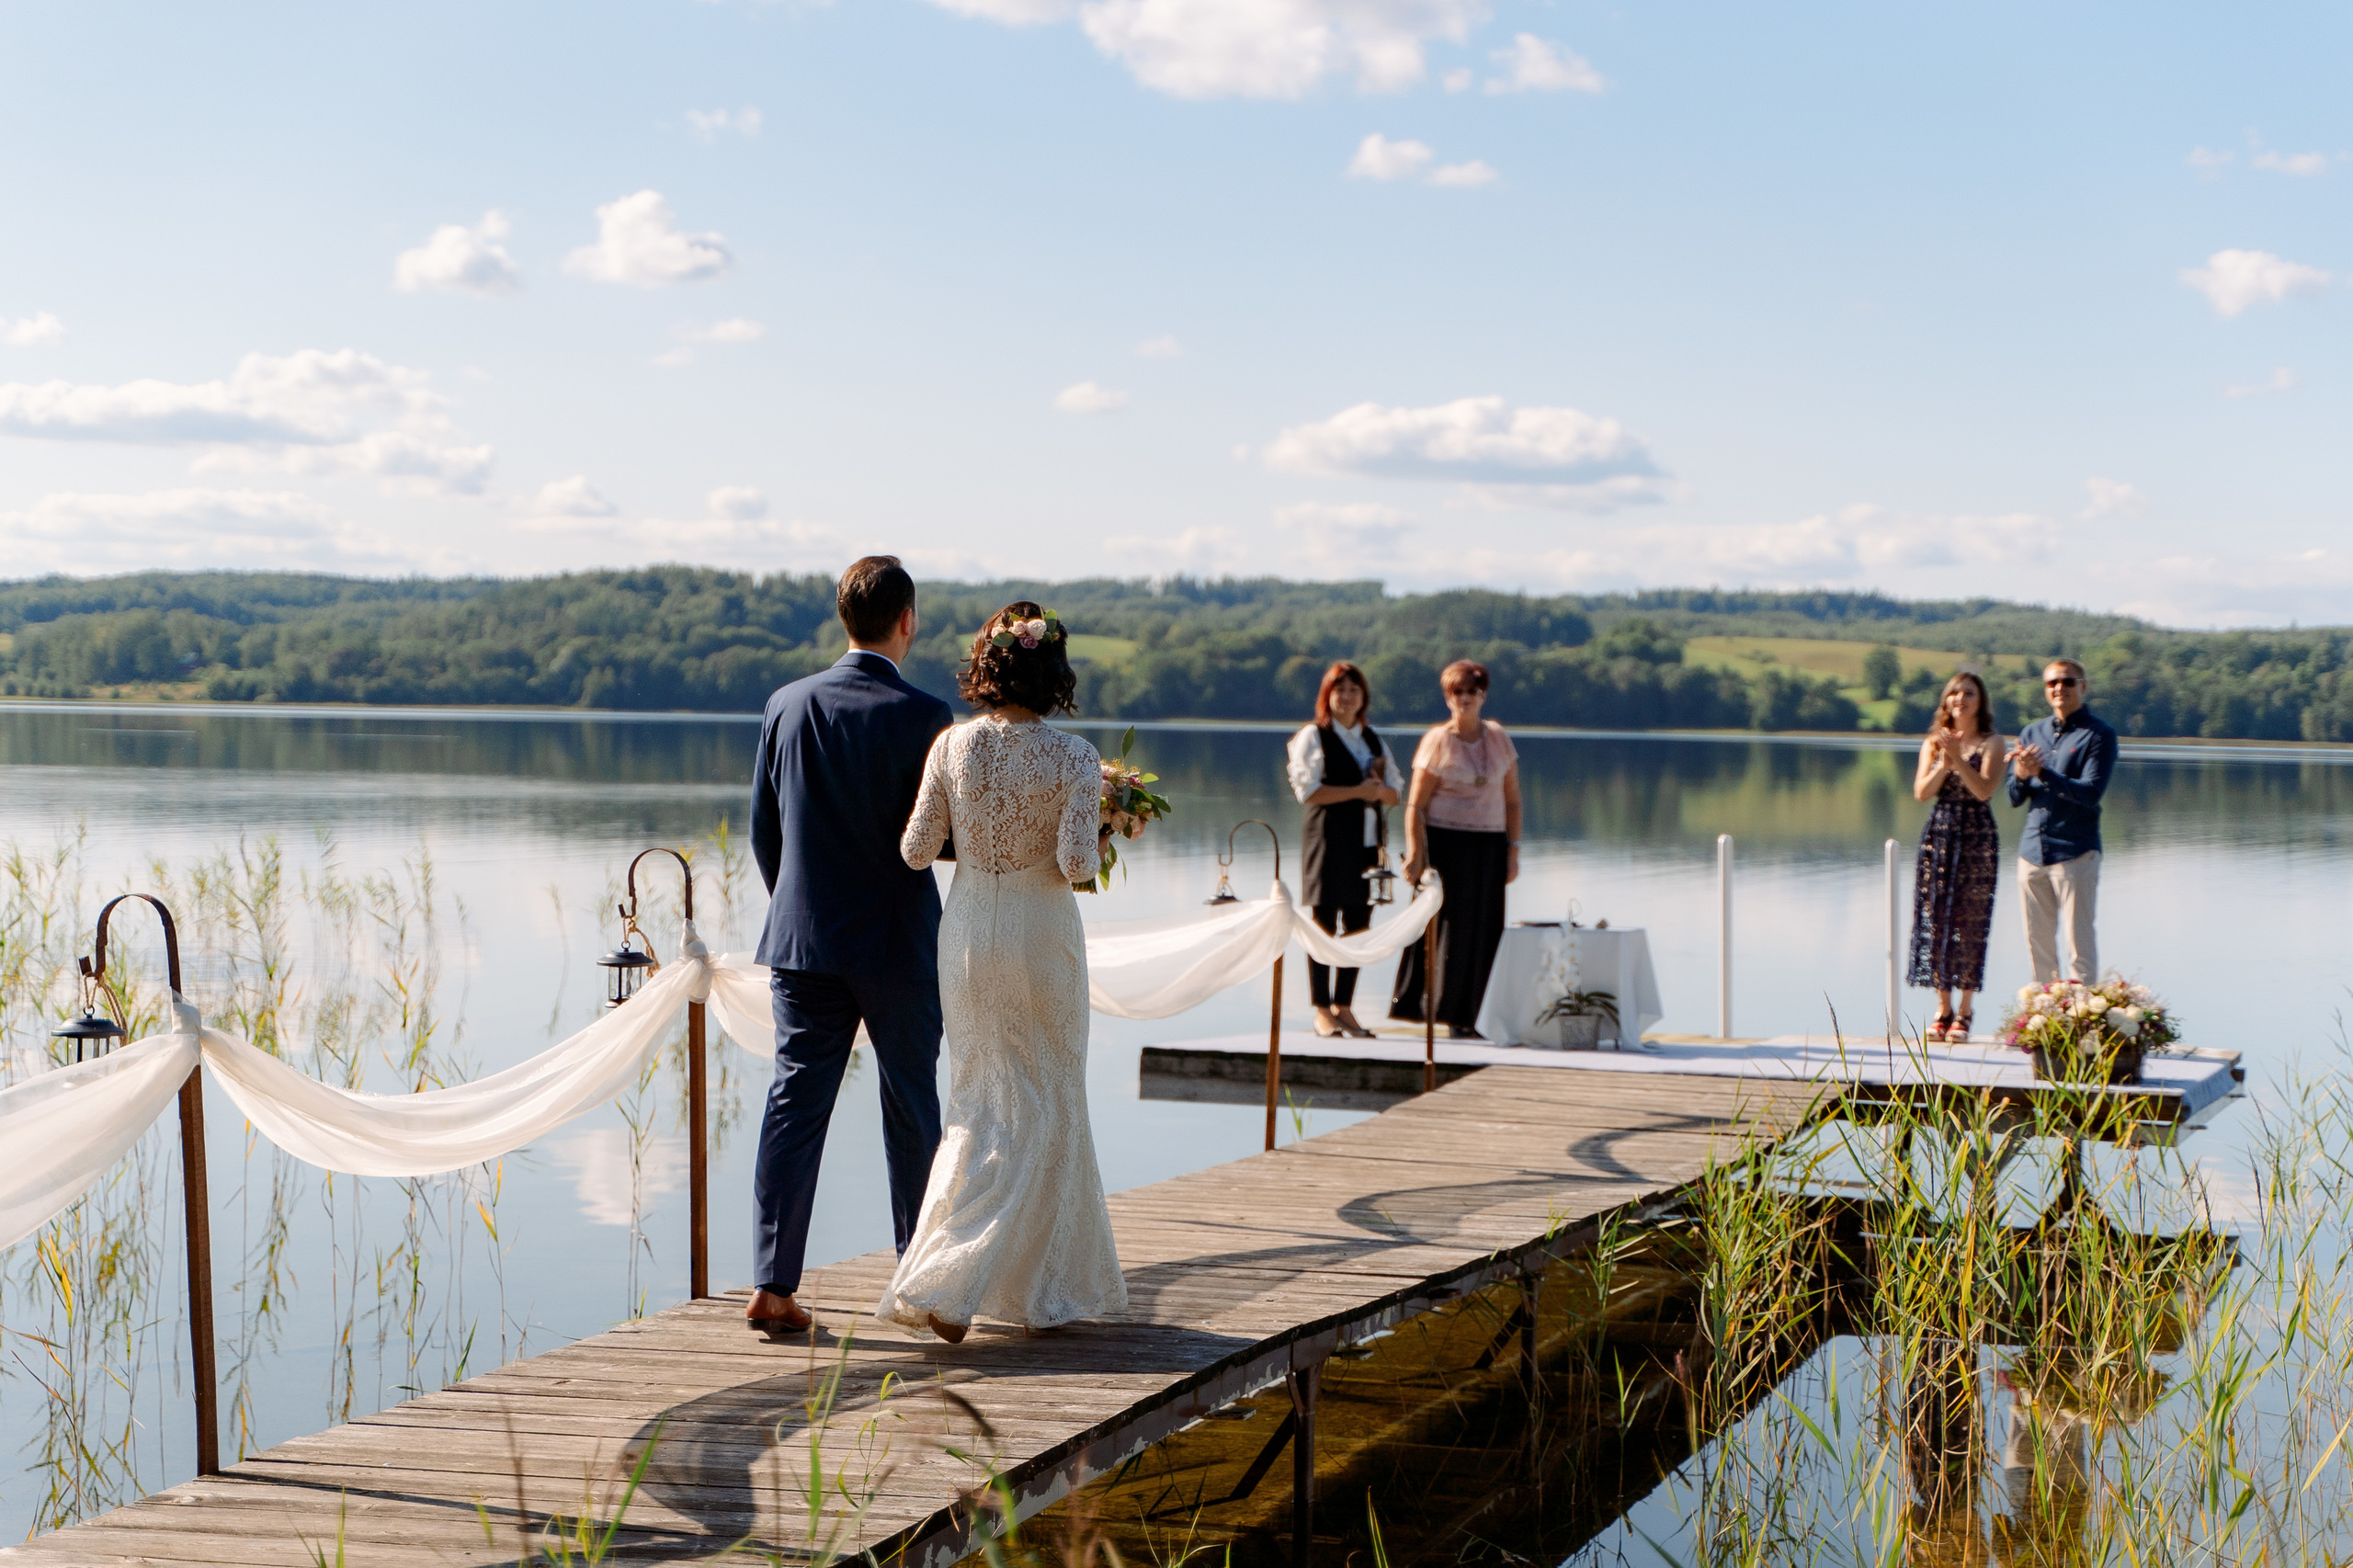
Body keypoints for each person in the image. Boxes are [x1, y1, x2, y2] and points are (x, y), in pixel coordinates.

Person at [878, 601, 1127, 1343]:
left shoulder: (949, 747)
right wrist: (1108, 823)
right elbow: (1078, 865)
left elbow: (915, 852)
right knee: (1046, 1096)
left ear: (987, 668)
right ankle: (983, 1284)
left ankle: (960, 1276)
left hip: (966, 935)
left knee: (977, 1098)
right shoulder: (1076, 757)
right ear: (1054, 673)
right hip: (1040, 932)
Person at [744, 556, 954, 1334]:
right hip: (899, 941)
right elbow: (943, 840)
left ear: (846, 620)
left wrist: (803, 906)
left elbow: (769, 834)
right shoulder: (927, 716)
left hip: (804, 939)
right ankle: (924, 1285)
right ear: (908, 621)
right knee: (912, 1105)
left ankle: (772, 1284)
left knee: (795, 1103)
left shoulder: (786, 705)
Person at [1392, 659, 1519, 1040]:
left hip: (1489, 843)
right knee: (1450, 931)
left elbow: (1512, 801)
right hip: (1446, 844)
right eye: (1457, 692)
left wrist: (1513, 850)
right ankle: (1444, 1014)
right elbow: (1414, 804)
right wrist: (1416, 853)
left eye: (1473, 691)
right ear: (1448, 698)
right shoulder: (1437, 740)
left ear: (1484, 696)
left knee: (1485, 930)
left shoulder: (1498, 737)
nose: (1465, 698)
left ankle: (1476, 1016)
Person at [1286, 662, 1399, 1039]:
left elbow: (1395, 792)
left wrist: (1380, 791)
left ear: (1363, 697)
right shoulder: (1313, 736)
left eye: (1354, 689)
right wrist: (1358, 792)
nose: (1347, 696)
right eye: (1340, 689)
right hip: (1327, 843)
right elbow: (1308, 791)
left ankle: (1344, 1007)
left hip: (1367, 845)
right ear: (1327, 696)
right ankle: (1321, 1009)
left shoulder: (1373, 739)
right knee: (1322, 925)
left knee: (1359, 927)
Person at [1907, 671, 2006, 1042]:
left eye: (1968, 693)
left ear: (1980, 701)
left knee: (1970, 920)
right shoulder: (1934, 743)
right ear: (1946, 701)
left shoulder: (1993, 742)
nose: (1960, 699)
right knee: (1937, 916)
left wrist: (1959, 762)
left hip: (1976, 835)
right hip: (1940, 833)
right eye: (1954, 693)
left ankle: (1965, 1009)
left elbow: (1983, 790)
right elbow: (1921, 792)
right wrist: (1941, 764)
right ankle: (1942, 1007)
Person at [2006, 657, 2117, 984]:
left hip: (2076, 851)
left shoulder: (2099, 735)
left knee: (2078, 943)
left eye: (2068, 682)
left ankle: (2082, 1020)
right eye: (2052, 683)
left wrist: (2041, 772)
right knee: (2037, 943)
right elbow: (2014, 797)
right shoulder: (2032, 732)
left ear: (2083, 688)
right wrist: (2023, 776)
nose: (2059, 688)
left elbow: (2089, 793)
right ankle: (2042, 1018)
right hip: (2032, 851)